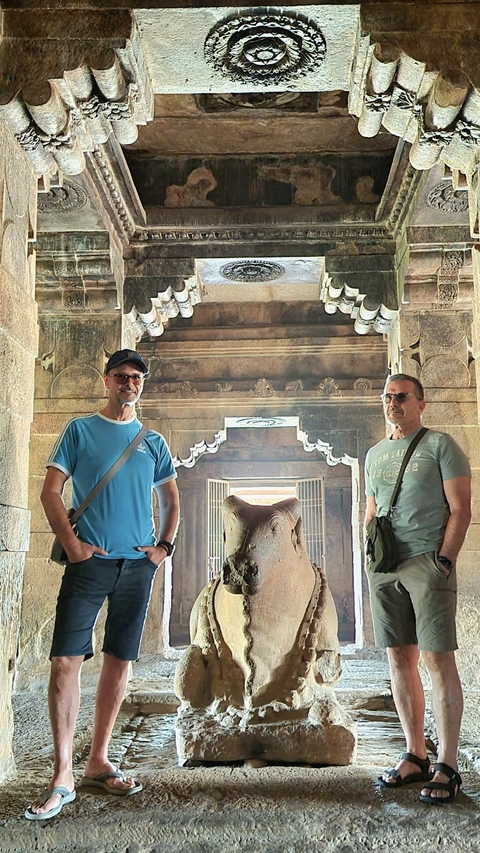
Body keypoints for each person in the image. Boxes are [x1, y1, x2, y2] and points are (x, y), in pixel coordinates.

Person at [26, 350, 180, 821]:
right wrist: (72, 545)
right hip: (89, 563)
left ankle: (98, 760)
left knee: (119, 660)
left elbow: (171, 500)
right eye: (121, 376)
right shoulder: (80, 431)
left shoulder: (153, 442)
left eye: (137, 378)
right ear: (106, 381)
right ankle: (62, 775)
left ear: (142, 385)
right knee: (65, 662)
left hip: (137, 567)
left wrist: (163, 548)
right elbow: (51, 491)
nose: (129, 383)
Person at [364, 373, 471, 805]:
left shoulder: (441, 446)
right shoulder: (374, 454)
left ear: (421, 404)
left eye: (402, 396)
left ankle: (448, 764)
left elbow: (461, 509)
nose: (394, 403)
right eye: (388, 396)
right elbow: (371, 510)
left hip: (427, 562)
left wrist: (444, 560)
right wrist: (369, 558)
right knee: (398, 658)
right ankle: (415, 754)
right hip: (385, 567)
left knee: (437, 658)